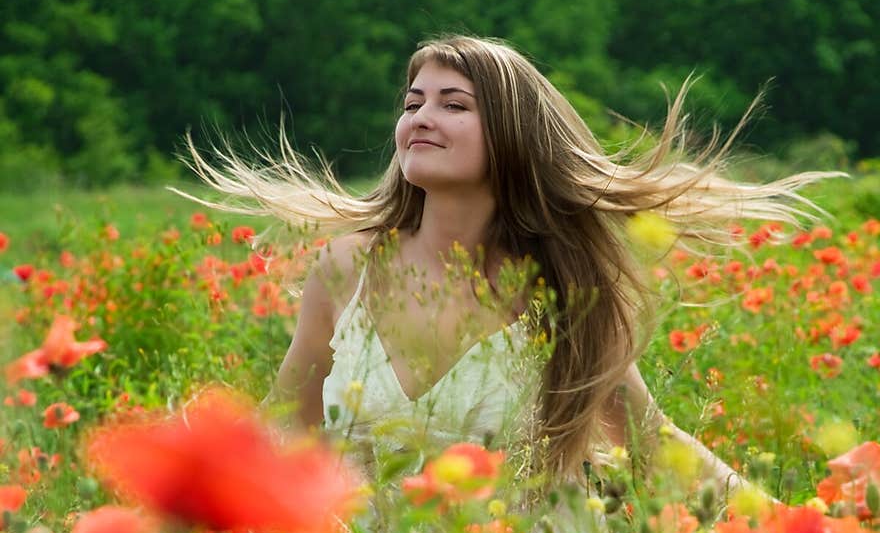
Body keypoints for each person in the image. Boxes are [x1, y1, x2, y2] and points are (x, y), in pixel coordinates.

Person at [184, 34, 835, 505]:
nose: (421, 118)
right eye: (413, 103)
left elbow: (652, 441)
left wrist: (797, 531)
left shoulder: (561, 289)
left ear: (513, 134)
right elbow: (284, 423)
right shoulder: (349, 265)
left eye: (454, 104)